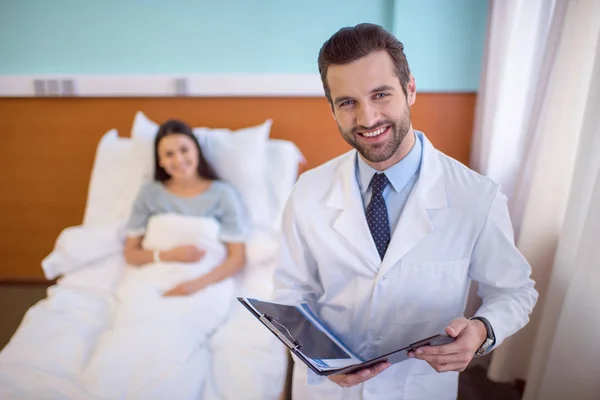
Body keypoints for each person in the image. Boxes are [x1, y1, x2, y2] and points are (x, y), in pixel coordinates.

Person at [272, 23, 538, 400]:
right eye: (347, 102)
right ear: (332, 109)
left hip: (419, 389)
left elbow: (515, 291)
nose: (367, 118)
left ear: (410, 88)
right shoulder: (307, 192)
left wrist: (481, 330)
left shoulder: (476, 196)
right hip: (329, 391)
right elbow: (290, 291)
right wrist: (320, 361)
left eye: (381, 94)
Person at [123, 119, 249, 296]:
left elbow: (236, 259)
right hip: (153, 280)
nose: (178, 159)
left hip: (205, 285)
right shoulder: (149, 194)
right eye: (169, 154)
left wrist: (192, 286)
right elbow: (131, 253)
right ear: (160, 161)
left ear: (196, 150)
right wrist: (170, 255)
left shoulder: (223, 194)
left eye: (184, 150)